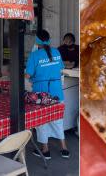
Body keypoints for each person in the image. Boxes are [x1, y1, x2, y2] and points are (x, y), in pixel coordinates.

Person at [25, 29, 70, 159]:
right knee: (58, 120)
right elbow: (60, 68)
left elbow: (28, 74)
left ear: (37, 41)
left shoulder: (35, 56)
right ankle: (64, 148)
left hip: (41, 93)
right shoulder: (56, 52)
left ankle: (45, 150)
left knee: (42, 121)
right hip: (57, 92)